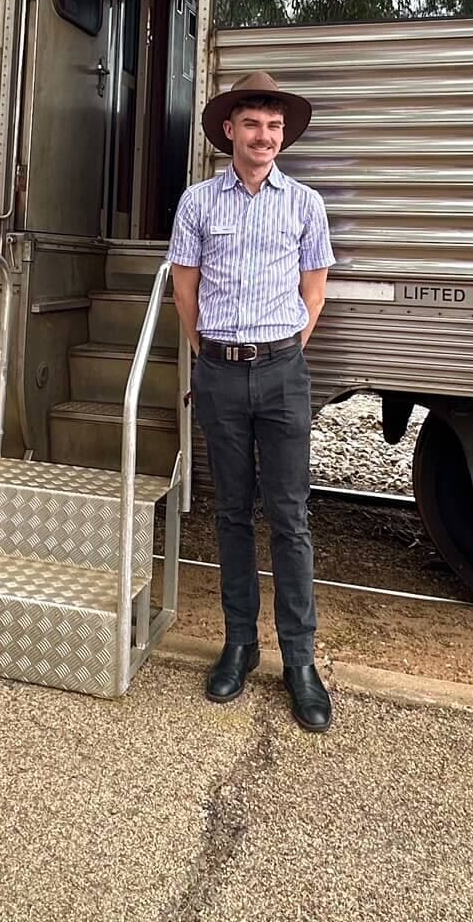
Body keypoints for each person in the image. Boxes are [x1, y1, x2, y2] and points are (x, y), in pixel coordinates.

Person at [167, 70, 335, 732]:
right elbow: (187, 288)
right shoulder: (198, 203)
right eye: (252, 124)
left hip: (282, 373)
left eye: (274, 126)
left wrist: (283, 350)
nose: (264, 136)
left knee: (290, 518)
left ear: (283, 135)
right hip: (220, 374)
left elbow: (314, 290)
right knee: (232, 513)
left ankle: (300, 661)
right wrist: (212, 353)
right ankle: (239, 643)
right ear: (229, 132)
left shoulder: (306, 205)